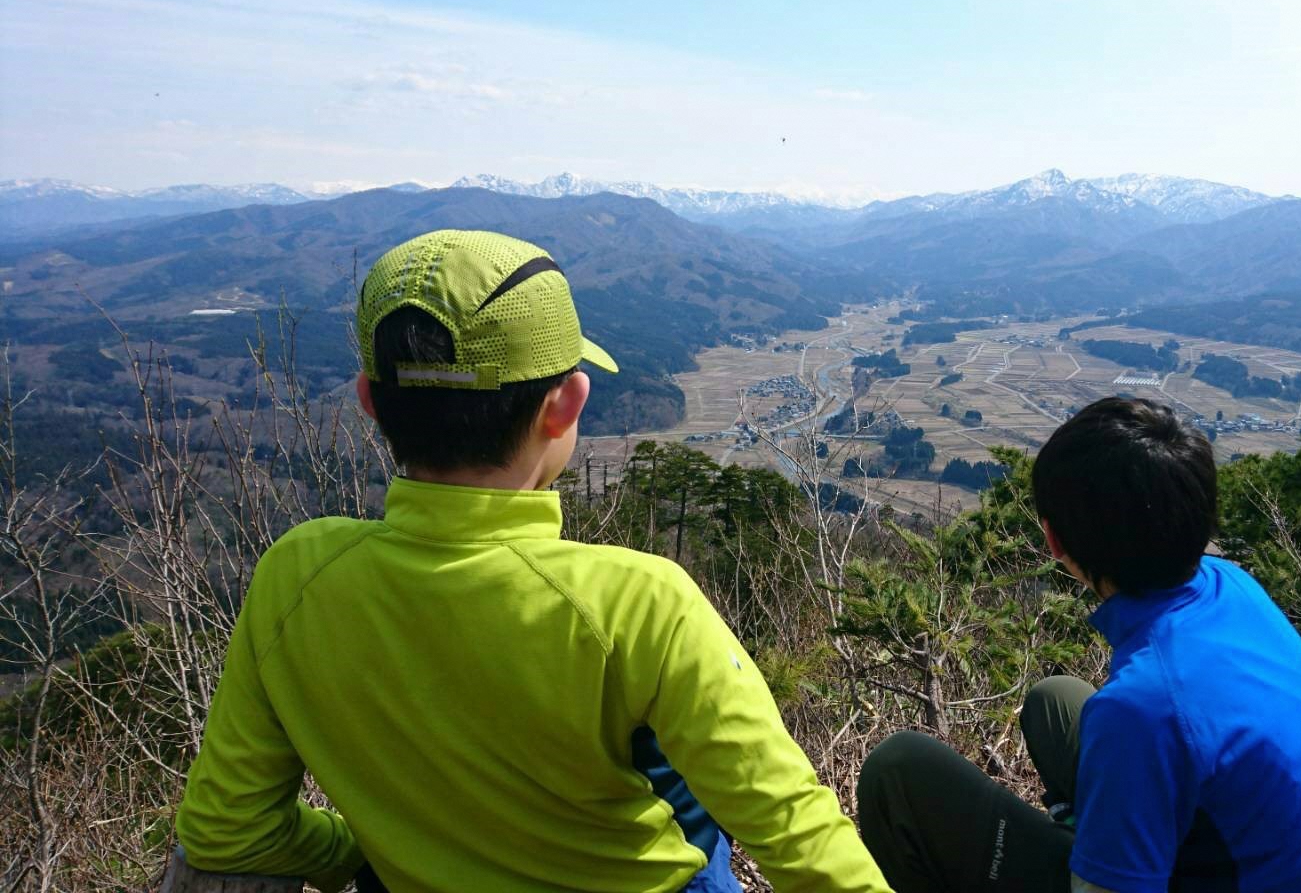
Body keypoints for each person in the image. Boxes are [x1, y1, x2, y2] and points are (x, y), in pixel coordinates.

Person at [175, 230, 895, 893]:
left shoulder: (296, 575)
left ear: (369, 401)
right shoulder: (640, 603)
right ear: (567, 403)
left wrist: (363, 847)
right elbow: (798, 834)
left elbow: (226, 827)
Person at [857, 396, 1301, 892]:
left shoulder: (1146, 707)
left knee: (899, 770)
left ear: (1054, 542)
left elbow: (1155, 720)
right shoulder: (1231, 586)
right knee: (1055, 701)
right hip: (1283, 867)